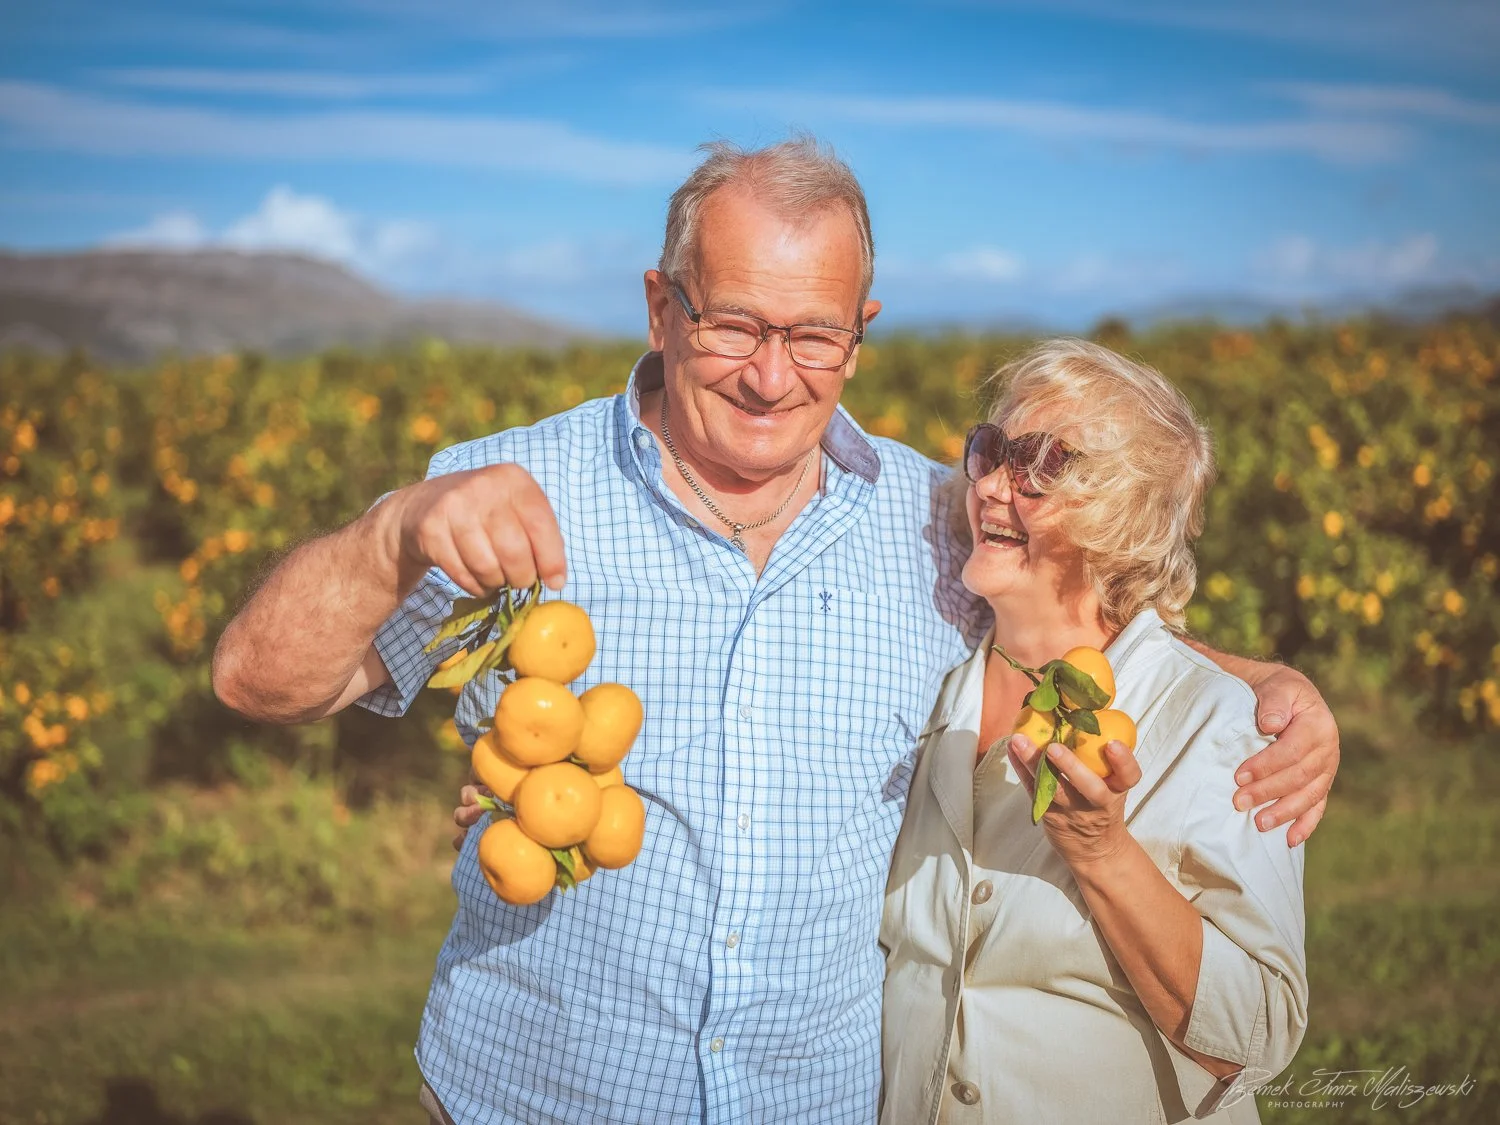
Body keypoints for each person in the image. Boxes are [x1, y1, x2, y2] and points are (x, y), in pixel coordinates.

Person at [213, 137, 1338, 1125]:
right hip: (536, 1096)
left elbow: (1074, 600)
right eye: (735, 323)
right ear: (662, 305)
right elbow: (258, 683)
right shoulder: (505, 493)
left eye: (812, 336)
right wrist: (388, 536)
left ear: (862, 334)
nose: (769, 375)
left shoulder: (932, 520)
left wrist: (1265, 689)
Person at [878, 339, 1306, 1124]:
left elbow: (1259, 1033)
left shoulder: (1210, 720)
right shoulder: (938, 684)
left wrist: (1104, 854)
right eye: (990, 451)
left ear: (1123, 515)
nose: (993, 485)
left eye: (1039, 463)